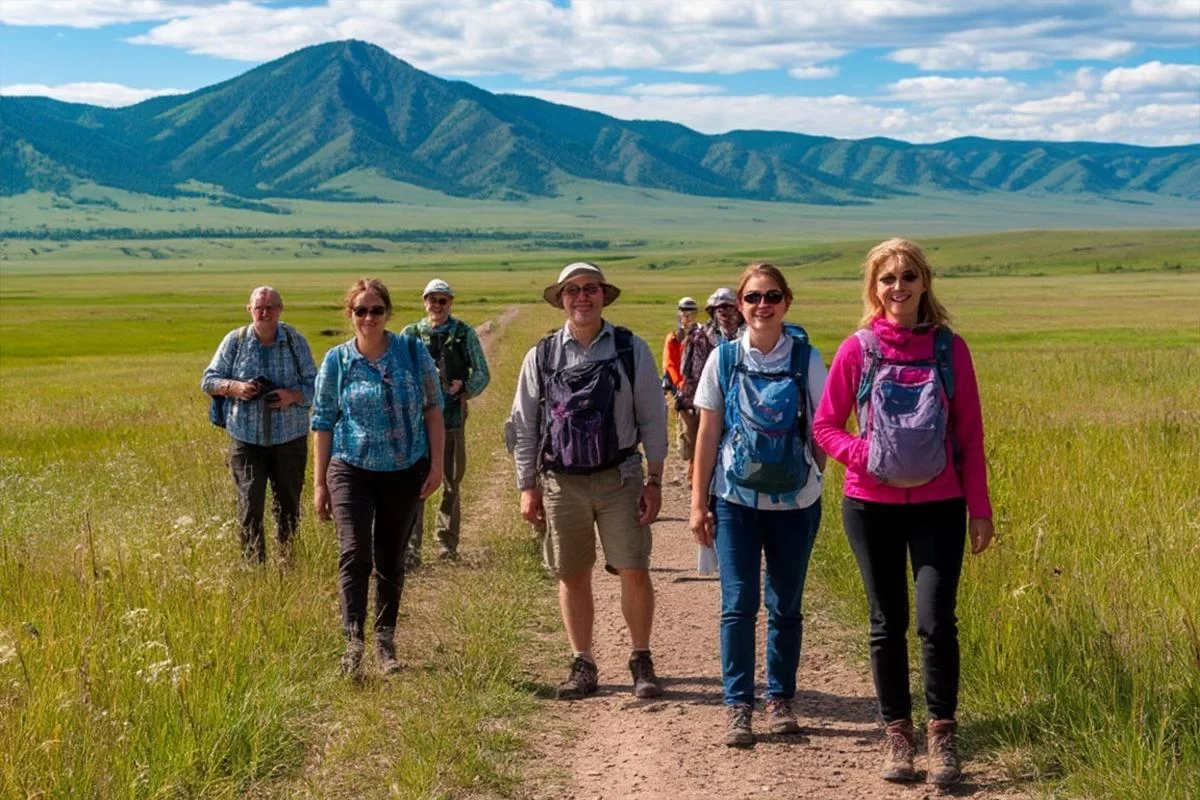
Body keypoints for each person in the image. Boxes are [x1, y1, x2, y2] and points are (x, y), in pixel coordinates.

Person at [812, 238, 994, 786]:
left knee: (937, 622)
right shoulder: (858, 348)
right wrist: (864, 454)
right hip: (870, 505)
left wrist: (980, 509)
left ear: (924, 283)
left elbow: (970, 433)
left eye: (908, 277)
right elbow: (824, 426)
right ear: (874, 287)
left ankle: (942, 735)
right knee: (885, 623)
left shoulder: (948, 348)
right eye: (888, 278)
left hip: (941, 503)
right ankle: (898, 735)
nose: (899, 287)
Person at [506, 262, 669, 701]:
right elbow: (524, 425)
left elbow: (653, 418)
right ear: (561, 299)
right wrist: (527, 486)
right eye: (572, 290)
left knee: (633, 568)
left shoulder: (630, 349)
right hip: (561, 481)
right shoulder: (541, 356)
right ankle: (583, 661)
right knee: (572, 573)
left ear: (604, 295)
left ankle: (641, 657)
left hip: (621, 476)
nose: (582, 297)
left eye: (590, 289)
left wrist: (655, 480)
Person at [688, 263, 827, 748]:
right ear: (740, 305)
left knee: (785, 604)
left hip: (796, 501)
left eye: (771, 297)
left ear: (787, 302)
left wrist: (816, 474)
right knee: (738, 604)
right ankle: (738, 706)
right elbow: (707, 434)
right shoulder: (723, 360)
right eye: (752, 298)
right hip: (735, 501)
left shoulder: (808, 358)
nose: (762, 306)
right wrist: (697, 502)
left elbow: (824, 427)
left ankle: (781, 699)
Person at [311, 278, 445, 677]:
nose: (368, 318)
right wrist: (319, 483)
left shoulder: (410, 351)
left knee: (390, 558)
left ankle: (385, 642)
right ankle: (352, 645)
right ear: (349, 314)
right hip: (350, 465)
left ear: (388, 313)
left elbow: (433, 408)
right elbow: (322, 422)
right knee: (355, 554)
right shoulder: (337, 361)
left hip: (405, 468)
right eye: (360, 310)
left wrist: (437, 464)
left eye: (376, 310)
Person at [202, 286, 317, 562]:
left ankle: (286, 562)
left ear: (280, 310)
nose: (264, 312)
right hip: (246, 440)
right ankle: (254, 569)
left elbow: (316, 385)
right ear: (249, 310)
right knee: (249, 508)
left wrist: (292, 396)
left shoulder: (294, 341)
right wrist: (236, 387)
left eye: (270, 307)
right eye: (259, 307)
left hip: (289, 440)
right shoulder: (235, 341)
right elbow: (208, 380)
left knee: (288, 507)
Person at [402, 278, 491, 568]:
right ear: (424, 301)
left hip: (452, 418)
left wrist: (464, 388)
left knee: (451, 481)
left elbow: (482, 373)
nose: (437, 306)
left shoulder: (464, 333)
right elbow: (395, 371)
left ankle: (446, 546)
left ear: (450, 302)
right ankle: (411, 549)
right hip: (416, 423)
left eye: (443, 300)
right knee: (414, 482)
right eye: (432, 300)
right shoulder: (410, 335)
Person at [663, 297, 699, 482]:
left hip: (701, 388)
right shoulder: (674, 337)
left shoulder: (702, 335)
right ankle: (693, 474)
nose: (688, 315)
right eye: (684, 312)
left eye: (692, 312)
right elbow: (669, 364)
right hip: (683, 391)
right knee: (689, 433)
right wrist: (679, 384)